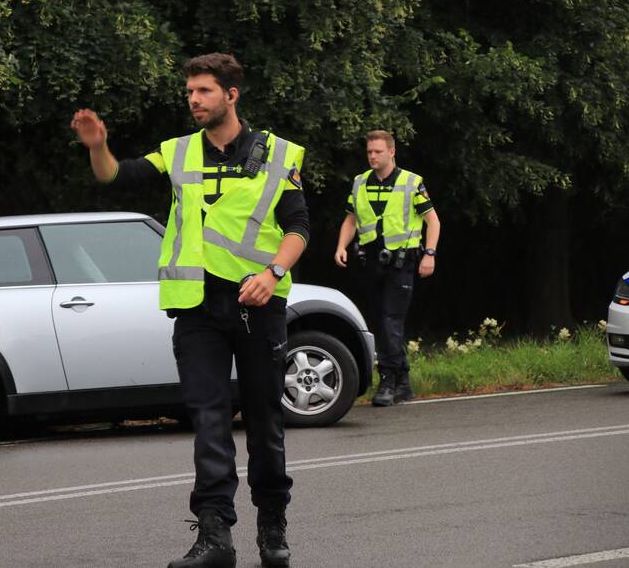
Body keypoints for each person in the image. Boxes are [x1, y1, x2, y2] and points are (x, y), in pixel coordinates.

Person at [71, 53, 308, 568]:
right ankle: (215, 537)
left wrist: (272, 275)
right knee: (209, 422)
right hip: (197, 308)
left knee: (266, 422)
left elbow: (298, 228)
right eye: (189, 92)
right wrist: (99, 147)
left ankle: (273, 527)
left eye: (203, 91)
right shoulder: (178, 152)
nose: (194, 100)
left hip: (257, 303)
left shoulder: (275, 153)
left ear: (231, 95)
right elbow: (118, 176)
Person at [333, 129, 441, 407]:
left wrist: (429, 253)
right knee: (380, 322)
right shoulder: (359, 183)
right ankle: (403, 382)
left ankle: (389, 380)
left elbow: (433, 221)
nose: (372, 156)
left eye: (378, 151)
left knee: (390, 321)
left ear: (391, 152)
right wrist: (341, 246)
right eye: (369, 151)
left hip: (401, 263)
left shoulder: (411, 182)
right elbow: (350, 219)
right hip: (370, 262)